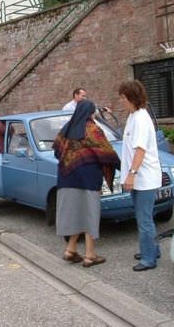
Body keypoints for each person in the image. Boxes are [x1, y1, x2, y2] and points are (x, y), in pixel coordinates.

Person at [53, 100, 120, 268]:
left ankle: (70, 250)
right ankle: (90, 255)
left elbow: (56, 151)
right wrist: (120, 166)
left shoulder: (66, 129)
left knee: (75, 212)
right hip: (89, 178)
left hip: (66, 177)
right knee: (89, 213)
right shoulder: (92, 128)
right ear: (90, 113)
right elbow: (107, 152)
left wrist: (72, 158)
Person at [119, 80, 162, 272]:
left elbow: (140, 151)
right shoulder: (133, 116)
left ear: (131, 98)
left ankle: (148, 259)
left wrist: (131, 175)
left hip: (144, 178)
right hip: (139, 178)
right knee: (144, 217)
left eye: (123, 98)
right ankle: (151, 249)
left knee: (144, 220)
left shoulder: (141, 119)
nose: (121, 101)